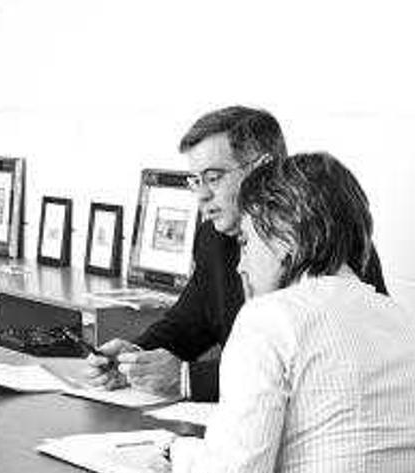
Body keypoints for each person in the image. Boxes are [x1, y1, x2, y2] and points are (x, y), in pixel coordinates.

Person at [84, 106, 387, 401]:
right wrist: (133, 358)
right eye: (195, 181)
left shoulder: (327, 241)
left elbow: (319, 368)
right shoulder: (212, 238)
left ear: (262, 167)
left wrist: (189, 379)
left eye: (213, 177)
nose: (201, 194)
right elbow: (188, 323)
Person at [170, 153, 415, 473]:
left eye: (246, 241)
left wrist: (179, 452)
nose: (241, 265)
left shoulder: (269, 320)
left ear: (284, 238)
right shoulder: (399, 319)